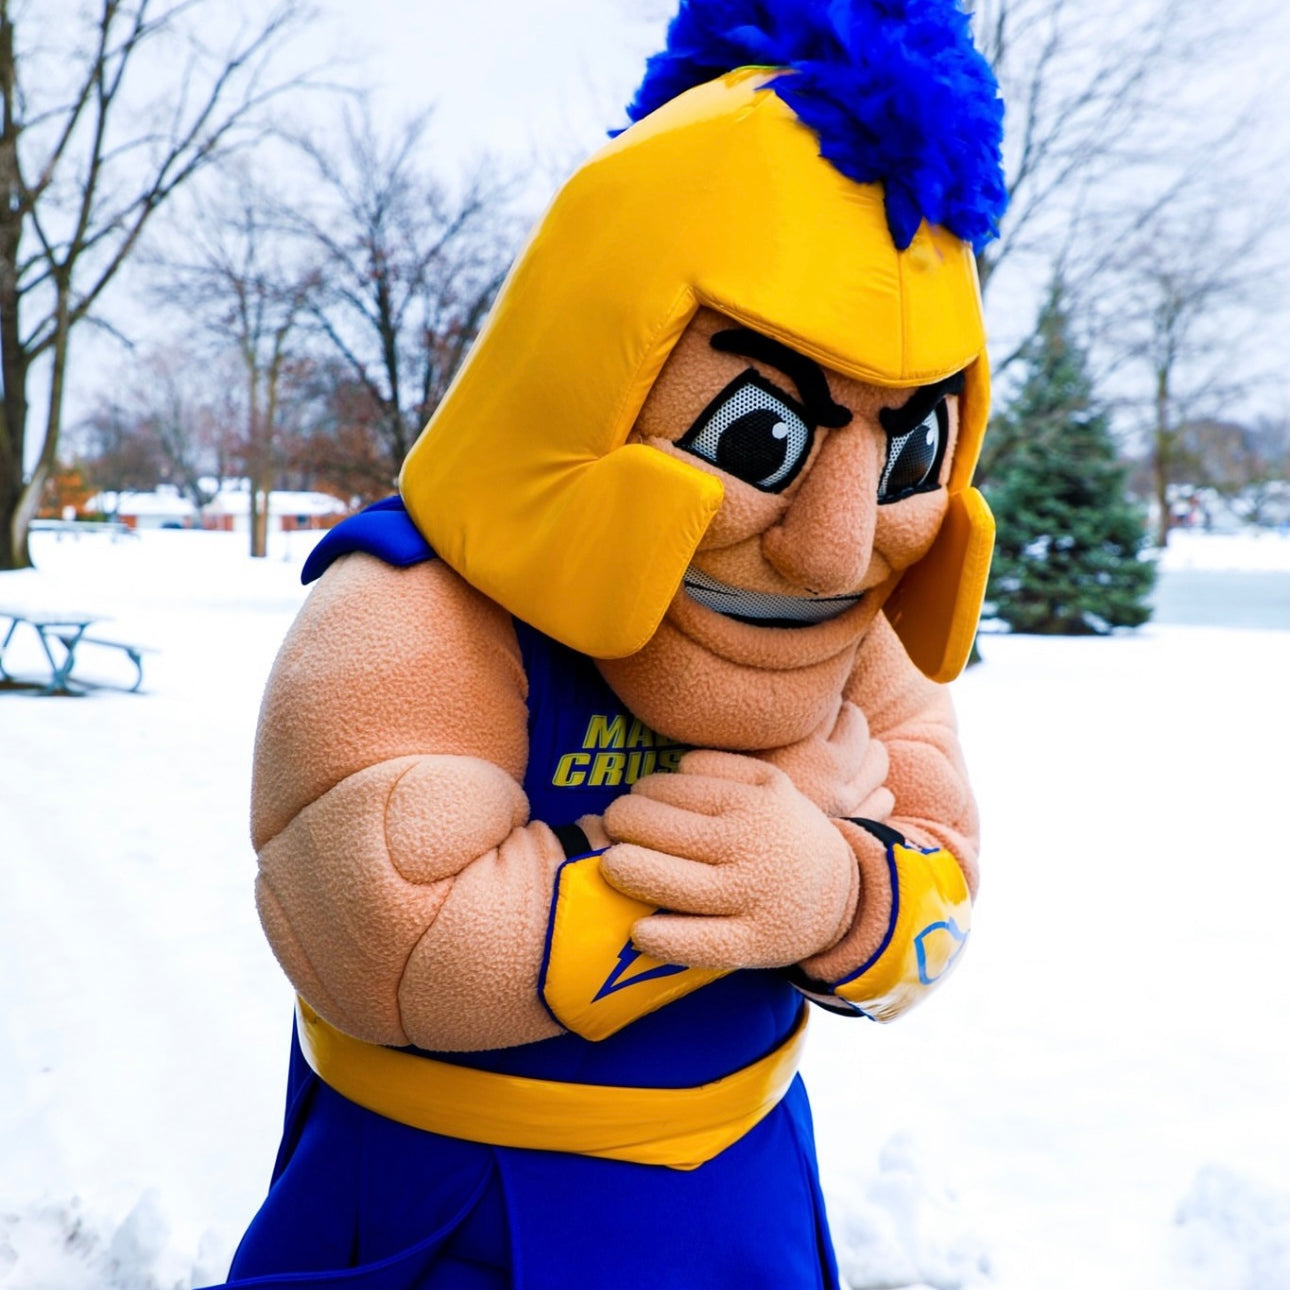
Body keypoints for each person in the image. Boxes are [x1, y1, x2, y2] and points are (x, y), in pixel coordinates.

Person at [212, 2, 1007, 1285]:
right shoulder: (416, 603)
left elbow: (943, 887)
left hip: (740, 1190)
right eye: (759, 437)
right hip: (457, 1210)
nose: (834, 544)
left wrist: (834, 886)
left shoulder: (858, 624)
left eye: (909, 448)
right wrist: (751, 838)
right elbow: (381, 931)